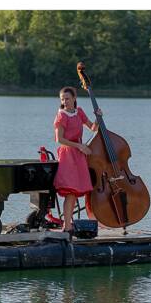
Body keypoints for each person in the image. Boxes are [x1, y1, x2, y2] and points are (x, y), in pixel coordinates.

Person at [52, 86, 102, 232]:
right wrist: (79, 146)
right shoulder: (61, 116)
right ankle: (67, 226)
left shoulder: (78, 112)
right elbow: (59, 139)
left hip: (79, 156)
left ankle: (68, 225)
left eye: (67, 98)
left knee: (74, 192)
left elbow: (93, 128)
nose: (65, 101)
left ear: (74, 98)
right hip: (68, 155)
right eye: (62, 99)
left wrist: (98, 118)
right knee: (70, 192)